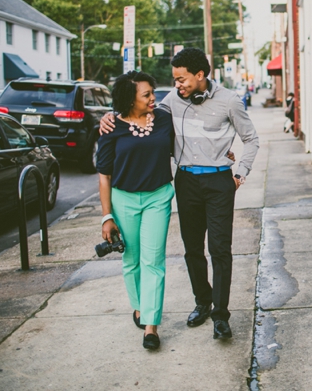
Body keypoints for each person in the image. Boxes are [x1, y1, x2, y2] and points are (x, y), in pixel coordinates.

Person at [101, 48, 259, 340]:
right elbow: (136, 113)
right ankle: (202, 301)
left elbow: (251, 139)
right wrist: (108, 117)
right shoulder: (171, 102)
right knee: (192, 249)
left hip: (220, 182)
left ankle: (220, 316)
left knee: (220, 250)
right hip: (186, 182)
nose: (176, 85)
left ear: (200, 75)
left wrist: (241, 172)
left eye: (181, 79)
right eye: (174, 80)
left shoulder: (230, 101)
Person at [97, 71, 175, 350]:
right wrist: (107, 216)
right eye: (147, 94)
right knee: (131, 259)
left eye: (153, 92)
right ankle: (139, 306)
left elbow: (185, 144)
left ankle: (150, 326)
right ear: (130, 99)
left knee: (153, 259)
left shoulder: (164, 119)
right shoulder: (111, 127)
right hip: (124, 199)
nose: (153, 97)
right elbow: (104, 175)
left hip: (158, 196)